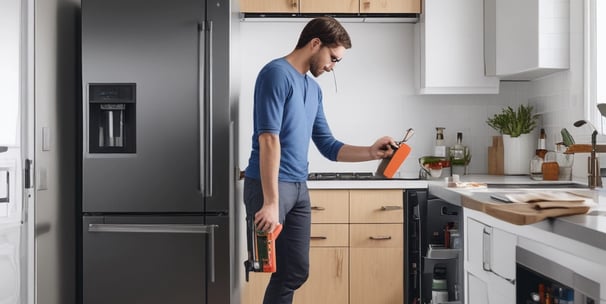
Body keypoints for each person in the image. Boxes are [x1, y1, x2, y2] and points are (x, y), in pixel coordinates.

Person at [243, 16, 397, 304]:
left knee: (296, 271)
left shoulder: (313, 89)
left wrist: (371, 151)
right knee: (273, 269)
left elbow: (328, 145)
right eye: (333, 58)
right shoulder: (276, 73)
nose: (332, 66)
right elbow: (268, 138)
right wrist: (271, 201)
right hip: (270, 186)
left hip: (299, 187)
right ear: (315, 43)